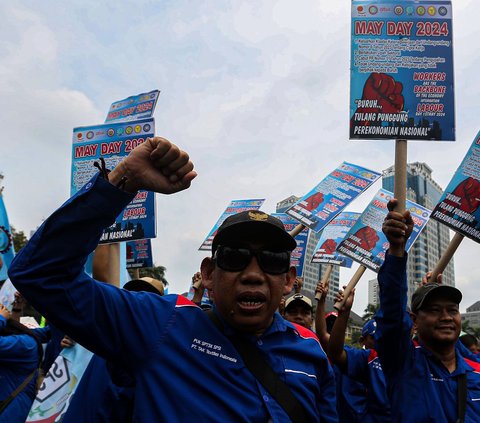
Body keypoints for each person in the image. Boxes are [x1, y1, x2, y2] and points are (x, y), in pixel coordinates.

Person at [9, 137, 337, 422]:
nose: (253, 274)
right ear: (208, 273)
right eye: (235, 258)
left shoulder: (311, 352)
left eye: (272, 261)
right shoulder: (159, 324)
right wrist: (123, 180)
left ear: (290, 280)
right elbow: (40, 272)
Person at [377, 198, 480, 422]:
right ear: (414, 320)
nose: (446, 317)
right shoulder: (404, 364)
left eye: (452, 310)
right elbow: (392, 314)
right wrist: (396, 250)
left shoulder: (476, 372)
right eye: (434, 310)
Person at [327, 288, 390, 422]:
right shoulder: (368, 359)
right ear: (362, 341)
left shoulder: (415, 357)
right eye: (374, 337)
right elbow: (334, 353)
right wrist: (344, 313)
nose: (379, 341)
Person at [0, 304, 47, 423]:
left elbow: (49, 331)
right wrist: (16, 309)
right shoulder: (20, 340)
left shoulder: (25, 343)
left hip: (11, 412)